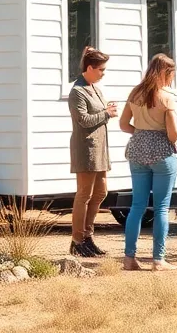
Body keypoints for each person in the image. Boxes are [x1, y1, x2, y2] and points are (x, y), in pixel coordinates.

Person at [120, 53, 177, 271]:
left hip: (137, 149)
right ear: (167, 72)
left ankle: (129, 258)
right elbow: (174, 135)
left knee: (137, 205)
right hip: (162, 152)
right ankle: (158, 259)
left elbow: (124, 124)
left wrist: (142, 132)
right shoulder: (166, 97)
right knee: (161, 207)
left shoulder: (136, 92)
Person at [67, 46, 119, 258]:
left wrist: (106, 109)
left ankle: (88, 237)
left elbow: (96, 112)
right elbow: (84, 120)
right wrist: (106, 113)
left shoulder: (94, 87)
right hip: (86, 149)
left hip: (100, 150)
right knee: (84, 195)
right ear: (89, 68)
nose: (103, 73)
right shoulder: (77, 91)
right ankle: (77, 240)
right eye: (101, 69)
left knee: (100, 193)